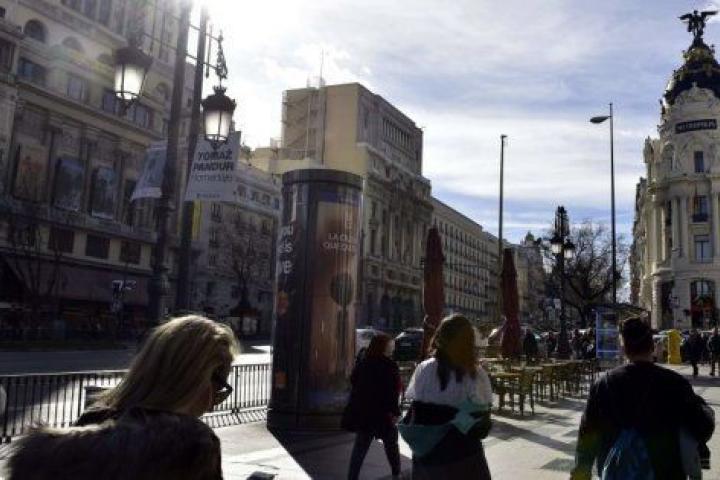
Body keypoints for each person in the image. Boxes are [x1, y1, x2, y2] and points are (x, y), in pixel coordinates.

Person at [6, 315, 240, 480]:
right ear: (200, 379)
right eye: (220, 391)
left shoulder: (76, 433)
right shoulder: (193, 446)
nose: (211, 406)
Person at [571, 317, 715, 480]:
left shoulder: (604, 385)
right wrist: (704, 409)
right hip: (666, 474)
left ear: (623, 348)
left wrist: (580, 473)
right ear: (652, 346)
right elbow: (702, 426)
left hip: (617, 473)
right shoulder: (675, 384)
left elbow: (588, 435)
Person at [402, 314, 493, 479]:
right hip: (463, 457)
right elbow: (482, 421)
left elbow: (416, 405)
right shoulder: (475, 374)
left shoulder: (423, 369)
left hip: (427, 456)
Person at [344, 332, 402, 480]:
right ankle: (396, 474)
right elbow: (392, 392)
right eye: (390, 345)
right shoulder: (390, 366)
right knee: (391, 446)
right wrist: (395, 412)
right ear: (383, 347)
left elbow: (354, 381)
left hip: (365, 413)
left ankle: (352, 477)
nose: (392, 348)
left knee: (360, 448)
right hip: (383, 414)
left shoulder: (364, 363)